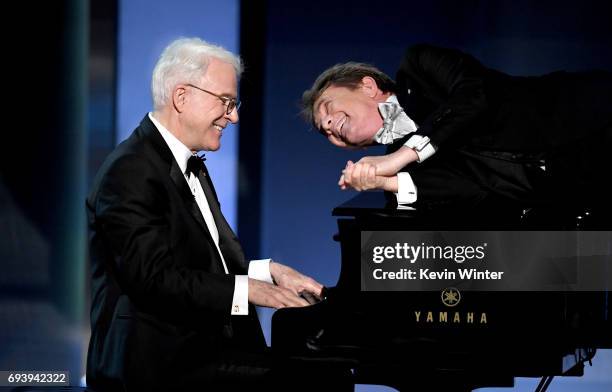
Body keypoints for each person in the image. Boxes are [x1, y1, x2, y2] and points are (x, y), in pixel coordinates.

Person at [86, 37, 330, 391]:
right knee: (314, 379)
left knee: (321, 372)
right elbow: (154, 279)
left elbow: (203, 262)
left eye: (235, 103)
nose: (234, 116)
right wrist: (250, 291)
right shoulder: (131, 170)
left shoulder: (188, 165)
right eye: (226, 102)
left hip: (203, 350)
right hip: (161, 364)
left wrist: (270, 273)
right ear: (182, 97)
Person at [302, 44, 612, 213]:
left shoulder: (420, 67)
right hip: (584, 189)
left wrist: (402, 157)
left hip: (595, 118)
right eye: (324, 131)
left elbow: (474, 97)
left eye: (328, 108)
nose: (329, 125)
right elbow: (468, 193)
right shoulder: (400, 174)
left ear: (367, 86)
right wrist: (384, 182)